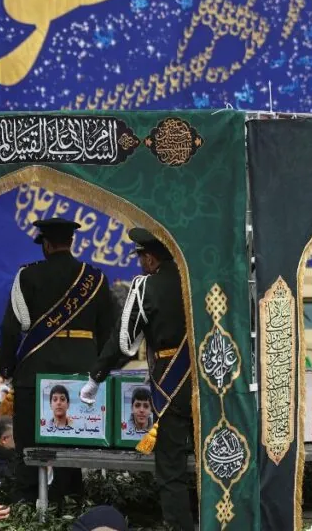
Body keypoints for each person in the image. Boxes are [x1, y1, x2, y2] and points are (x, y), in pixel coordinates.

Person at [0, 217, 116, 504]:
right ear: (71, 242)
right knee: (72, 444)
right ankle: (69, 503)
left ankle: (26, 506)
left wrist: (8, 367)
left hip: (34, 372)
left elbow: (10, 328)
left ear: (46, 245)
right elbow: (110, 332)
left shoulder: (28, 276)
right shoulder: (96, 279)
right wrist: (97, 367)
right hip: (81, 374)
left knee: (27, 448)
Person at [82, 227, 193, 530]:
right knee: (215, 464)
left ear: (150, 258)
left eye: (141, 257)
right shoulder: (198, 280)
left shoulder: (146, 287)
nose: (140, 264)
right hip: (208, 383)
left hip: (171, 385)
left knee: (171, 470)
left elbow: (123, 340)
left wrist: (97, 376)